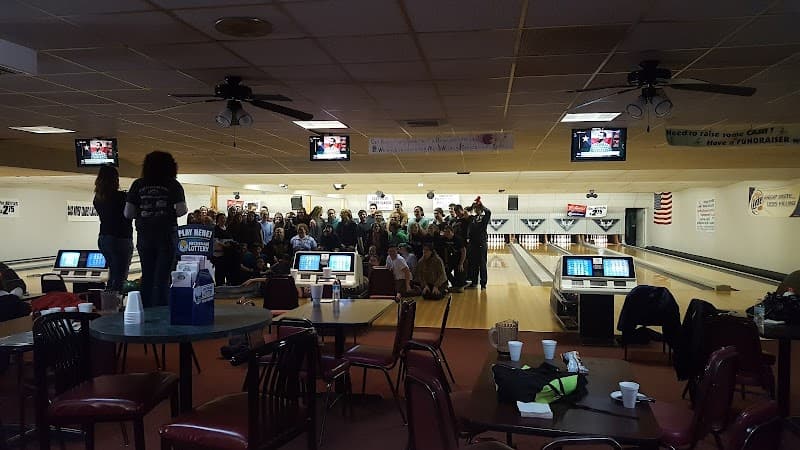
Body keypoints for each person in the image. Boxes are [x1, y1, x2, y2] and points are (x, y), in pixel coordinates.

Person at [125, 151, 187, 308]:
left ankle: (144, 311)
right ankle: (161, 313)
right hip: (166, 235)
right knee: (162, 277)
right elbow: (181, 211)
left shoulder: (138, 184)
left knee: (147, 275)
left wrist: (144, 212)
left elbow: (128, 213)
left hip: (145, 235)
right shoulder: (173, 184)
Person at [93, 165, 133, 293]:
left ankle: (109, 301)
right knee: (120, 276)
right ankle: (114, 304)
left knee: (114, 273)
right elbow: (130, 214)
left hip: (104, 238)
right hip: (120, 239)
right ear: (115, 179)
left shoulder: (98, 198)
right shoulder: (121, 197)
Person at [466, 197, 491, 289]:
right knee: (474, 264)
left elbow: (488, 212)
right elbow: (466, 211)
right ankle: (474, 282)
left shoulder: (484, 218)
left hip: (481, 244)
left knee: (482, 264)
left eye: (478, 208)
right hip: (473, 244)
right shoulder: (472, 218)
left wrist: (481, 204)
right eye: (475, 208)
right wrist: (473, 205)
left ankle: (483, 283)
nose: (476, 209)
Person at [442, 225, 467, 292]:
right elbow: (445, 251)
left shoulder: (458, 239)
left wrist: (461, 263)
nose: (447, 233)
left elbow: (463, 251)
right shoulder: (444, 239)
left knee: (459, 272)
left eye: (448, 232)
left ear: (452, 232)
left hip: (460, 258)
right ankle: (455, 284)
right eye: (445, 232)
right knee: (446, 271)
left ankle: (461, 284)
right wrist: (446, 262)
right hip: (451, 259)